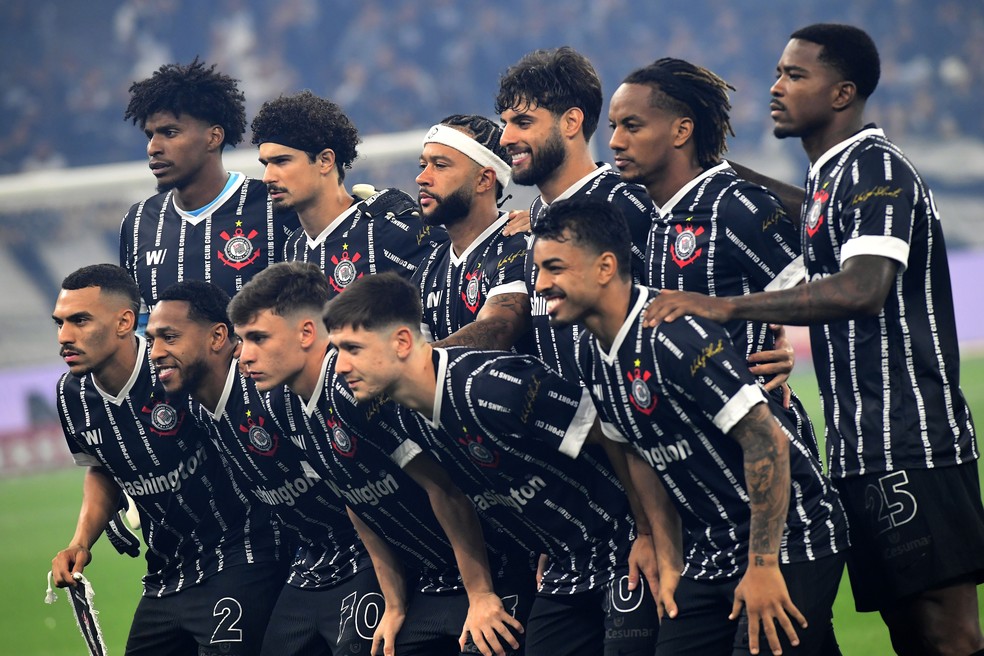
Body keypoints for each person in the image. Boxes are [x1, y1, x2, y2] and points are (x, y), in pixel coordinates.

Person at [644, 24, 984, 656]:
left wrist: (724, 306)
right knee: (909, 634)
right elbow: (813, 219)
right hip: (857, 446)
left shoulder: (876, 166)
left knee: (946, 632)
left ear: (842, 93)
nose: (776, 87)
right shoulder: (832, 180)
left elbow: (862, 287)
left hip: (913, 442)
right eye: (777, 72)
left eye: (796, 76)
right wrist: (711, 168)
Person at [532, 198, 850, 656]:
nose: (541, 285)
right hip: (710, 548)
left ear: (605, 267)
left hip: (790, 536)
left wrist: (762, 565)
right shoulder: (588, 351)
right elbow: (637, 455)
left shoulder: (676, 334)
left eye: (554, 268)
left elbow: (766, 440)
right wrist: (667, 555)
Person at [323, 272, 660, 656]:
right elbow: (447, 493)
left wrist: (650, 535)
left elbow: (618, 433)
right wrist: (480, 594)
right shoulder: (399, 414)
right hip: (563, 564)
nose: (340, 367)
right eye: (337, 352)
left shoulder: (493, 385)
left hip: (625, 547)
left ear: (401, 341)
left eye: (352, 349)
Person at [228, 261, 531, 656]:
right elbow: (354, 499)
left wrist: (481, 594)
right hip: (432, 579)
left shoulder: (357, 389)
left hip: (496, 569)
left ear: (306, 333)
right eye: (242, 340)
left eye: (257, 339)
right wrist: (393, 602)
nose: (244, 356)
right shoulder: (282, 403)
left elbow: (446, 488)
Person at [50, 264, 283, 655]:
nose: (64, 337)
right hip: (165, 572)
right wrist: (81, 541)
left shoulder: (178, 368)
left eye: (80, 321)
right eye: (59, 323)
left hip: (238, 555)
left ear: (125, 321)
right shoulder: (70, 395)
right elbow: (101, 466)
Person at [146, 280, 381, 656]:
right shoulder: (199, 410)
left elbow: (364, 487)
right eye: (151, 339)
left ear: (218, 337)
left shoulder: (276, 392)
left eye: (169, 337)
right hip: (309, 562)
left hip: (366, 554)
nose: (154, 352)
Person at [608, 57, 818, 456]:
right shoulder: (650, 213)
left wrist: (776, 341)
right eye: (614, 127)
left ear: (681, 130)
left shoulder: (734, 204)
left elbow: (815, 298)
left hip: (759, 445)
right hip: (696, 451)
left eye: (632, 126)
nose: (616, 141)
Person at [494, 46, 655, 380]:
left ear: (570, 122)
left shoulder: (631, 205)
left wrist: (764, 339)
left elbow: (697, 297)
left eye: (523, 122)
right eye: (505, 123)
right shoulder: (536, 216)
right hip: (576, 429)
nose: (506, 138)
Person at [120, 58, 299, 327]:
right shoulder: (138, 223)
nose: (153, 147)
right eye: (150, 135)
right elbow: (140, 327)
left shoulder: (275, 205)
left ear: (213, 137)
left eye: (169, 132)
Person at [250, 90, 446, 293]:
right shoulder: (294, 246)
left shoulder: (386, 228)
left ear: (325, 161)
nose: (267, 177)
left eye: (281, 161)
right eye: (265, 164)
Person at [412, 114, 531, 349]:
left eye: (440, 166)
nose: (421, 178)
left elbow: (497, 329)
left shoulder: (520, 244)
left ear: (484, 180)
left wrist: (415, 360)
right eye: (423, 165)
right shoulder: (427, 271)